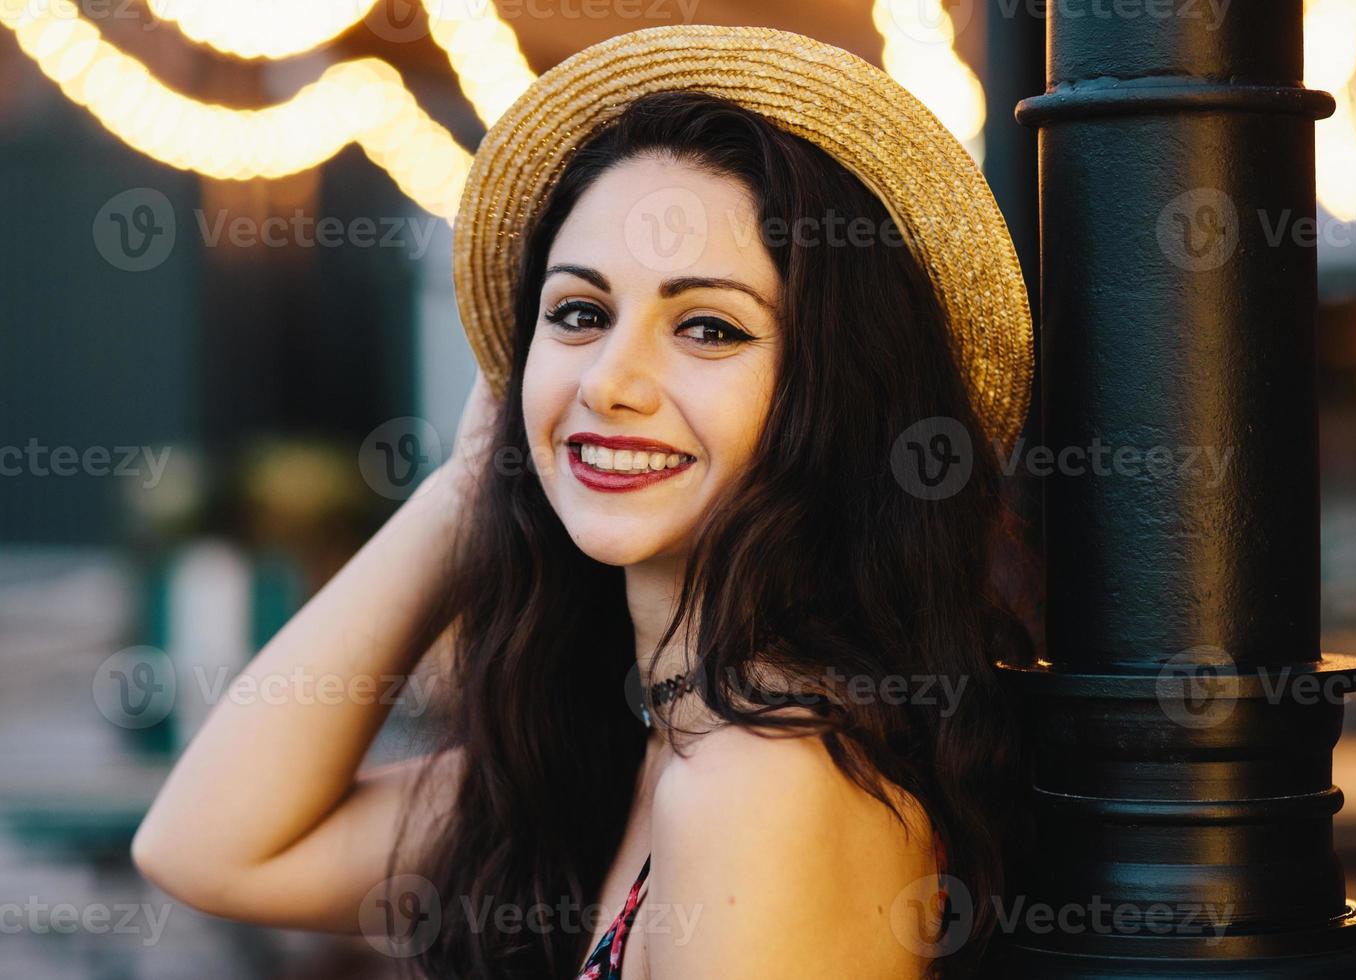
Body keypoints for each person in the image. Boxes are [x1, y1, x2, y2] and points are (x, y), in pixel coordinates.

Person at [132, 25, 1037, 980]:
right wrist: (477, 476)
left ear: (839, 393)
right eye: (579, 313)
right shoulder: (636, 747)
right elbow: (208, 847)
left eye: (708, 327)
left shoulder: (770, 782)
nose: (611, 380)